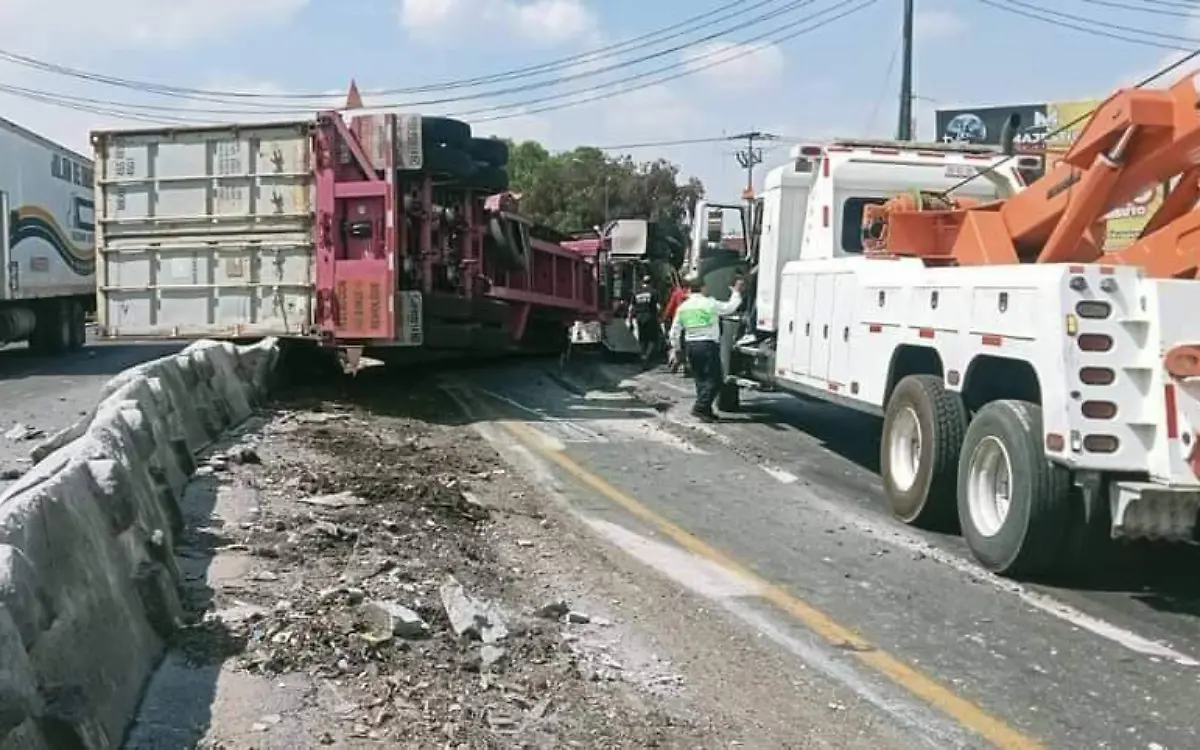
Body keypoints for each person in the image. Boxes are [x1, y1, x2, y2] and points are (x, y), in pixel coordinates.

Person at [668, 274, 745, 421]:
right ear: (703, 288)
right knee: (715, 380)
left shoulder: (683, 307)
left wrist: (677, 348)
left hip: (692, 346)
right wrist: (736, 292)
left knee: (701, 379)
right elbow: (730, 308)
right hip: (708, 345)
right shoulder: (710, 303)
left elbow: (674, 331)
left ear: (689, 289)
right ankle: (700, 407)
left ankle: (706, 411)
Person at [628, 274, 662, 368]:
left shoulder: (636, 292)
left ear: (643, 282)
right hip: (650, 317)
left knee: (642, 338)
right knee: (652, 339)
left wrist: (630, 321)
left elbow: (631, 308)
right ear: (651, 282)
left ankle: (642, 354)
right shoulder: (654, 292)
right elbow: (658, 307)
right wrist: (660, 318)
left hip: (639, 318)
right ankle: (646, 356)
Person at [661, 279, 689, 374]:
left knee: (677, 343)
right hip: (690, 323)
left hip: (678, 322)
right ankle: (684, 364)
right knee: (686, 344)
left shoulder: (677, 293)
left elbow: (670, 307)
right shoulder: (690, 294)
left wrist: (664, 318)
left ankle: (677, 362)